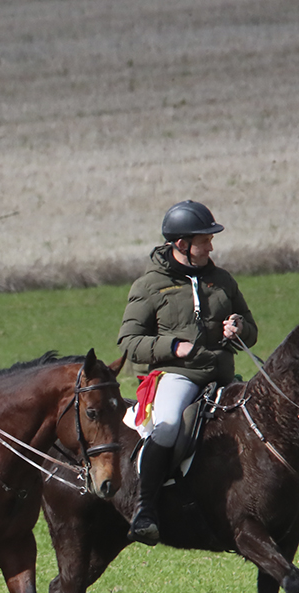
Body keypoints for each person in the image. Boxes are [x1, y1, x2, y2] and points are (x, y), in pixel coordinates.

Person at [118, 200, 258, 545]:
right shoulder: (149, 286)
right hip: (177, 375)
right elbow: (130, 342)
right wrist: (173, 347)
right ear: (182, 244)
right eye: (204, 241)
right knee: (167, 426)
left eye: (210, 240)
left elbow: (251, 328)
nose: (211, 247)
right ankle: (145, 510)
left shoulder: (222, 281)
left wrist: (239, 327)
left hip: (222, 375)